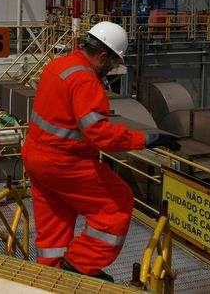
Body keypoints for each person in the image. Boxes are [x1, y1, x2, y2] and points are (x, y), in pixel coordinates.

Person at [22, 21, 180, 282]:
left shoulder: (58, 65)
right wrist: (147, 138)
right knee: (117, 204)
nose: (111, 70)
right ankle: (80, 266)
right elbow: (99, 134)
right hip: (64, 162)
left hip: (36, 157)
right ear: (103, 56)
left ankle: (52, 277)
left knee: (54, 225)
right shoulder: (86, 81)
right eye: (113, 63)